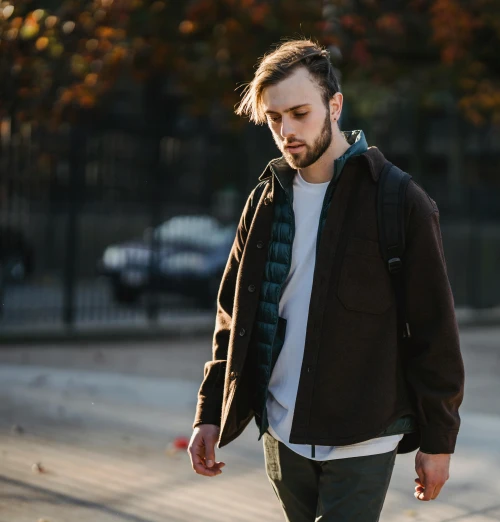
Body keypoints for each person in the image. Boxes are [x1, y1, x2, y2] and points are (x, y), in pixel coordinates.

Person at [188, 39, 465, 522]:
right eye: (274, 118)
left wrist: (439, 441)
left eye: (299, 113)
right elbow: (233, 318)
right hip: (281, 430)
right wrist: (209, 412)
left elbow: (434, 331)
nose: (286, 130)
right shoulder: (265, 201)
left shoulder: (398, 200)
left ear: (334, 106)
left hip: (363, 433)